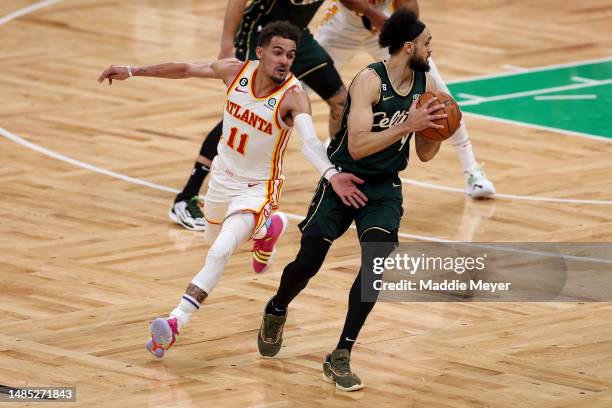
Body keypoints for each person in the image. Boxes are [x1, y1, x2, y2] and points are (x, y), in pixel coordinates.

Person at [97, 21, 367, 358]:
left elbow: (310, 142)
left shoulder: (294, 97)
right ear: (260, 52)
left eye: (291, 55)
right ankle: (269, 228)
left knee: (220, 250)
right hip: (222, 179)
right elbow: (185, 69)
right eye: (278, 52)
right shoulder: (234, 71)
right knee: (212, 243)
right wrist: (132, 70)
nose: (284, 60)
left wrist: (331, 173)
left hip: (257, 187)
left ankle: (176, 321)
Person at [256, 9, 448, 392]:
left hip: (384, 187)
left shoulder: (424, 81)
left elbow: (425, 154)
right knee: (308, 262)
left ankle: (341, 354)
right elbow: (358, 147)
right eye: (427, 43)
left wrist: (435, 126)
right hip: (344, 178)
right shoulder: (368, 81)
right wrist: (407, 125)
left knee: (375, 265)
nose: (432, 49)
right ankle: (277, 308)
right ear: (408, 46)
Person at [169, 0, 349, 231]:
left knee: (340, 101)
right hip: (259, 33)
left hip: (296, 37)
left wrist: (370, 14)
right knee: (245, 111)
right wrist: (226, 46)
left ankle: (335, 179)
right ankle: (186, 197)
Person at [316, 0, 496, 198]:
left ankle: (471, 170)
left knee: (441, 98)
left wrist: (398, 28)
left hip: (384, 25)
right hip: (341, 26)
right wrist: (370, 12)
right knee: (295, 84)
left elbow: (410, 8)